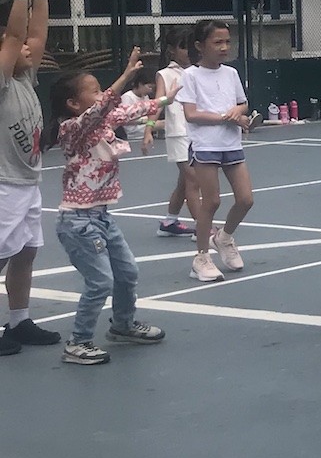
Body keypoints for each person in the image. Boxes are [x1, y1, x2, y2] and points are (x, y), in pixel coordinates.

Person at [50, 46, 168, 364]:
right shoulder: (72, 129)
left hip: (102, 216)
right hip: (77, 222)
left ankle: (123, 325)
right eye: (94, 90)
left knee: (127, 272)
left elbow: (132, 111)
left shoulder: (103, 122)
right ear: (73, 104)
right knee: (101, 281)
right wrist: (126, 76)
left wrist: (166, 100)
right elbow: (102, 108)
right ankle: (78, 342)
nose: (101, 94)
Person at [1, 0, 61, 356]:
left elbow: (35, 35)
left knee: (26, 252)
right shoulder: (3, 82)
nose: (29, 48)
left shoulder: (25, 78)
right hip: (3, 184)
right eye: (19, 48)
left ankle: (19, 320)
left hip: (27, 182)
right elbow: (15, 36)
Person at [176, 19, 255, 284]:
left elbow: (242, 104)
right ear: (200, 46)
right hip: (205, 145)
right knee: (211, 202)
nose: (224, 47)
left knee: (246, 199)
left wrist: (238, 112)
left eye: (227, 42)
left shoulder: (231, 73)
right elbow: (191, 114)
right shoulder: (190, 76)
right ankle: (201, 258)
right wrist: (226, 117)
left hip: (231, 144)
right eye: (217, 42)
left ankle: (224, 238)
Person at [155, 28, 196, 236]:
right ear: (171, 50)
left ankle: (169, 221)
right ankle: (203, 228)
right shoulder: (165, 74)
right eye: (183, 47)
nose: (188, 52)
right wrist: (149, 128)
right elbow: (157, 103)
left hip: (197, 133)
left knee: (184, 182)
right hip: (178, 134)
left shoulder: (197, 72)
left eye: (191, 47)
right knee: (194, 180)